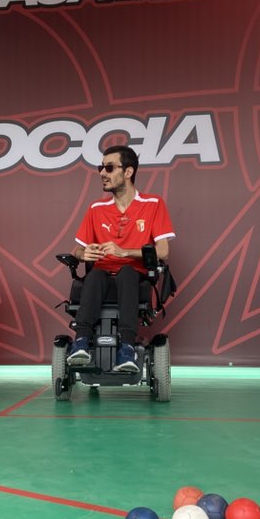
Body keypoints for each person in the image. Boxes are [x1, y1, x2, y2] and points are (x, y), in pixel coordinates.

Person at [65, 145, 176, 371]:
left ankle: (127, 348)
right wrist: (84, 254)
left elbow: (163, 251)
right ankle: (81, 342)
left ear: (128, 172)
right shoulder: (96, 208)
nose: (102, 173)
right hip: (102, 275)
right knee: (95, 274)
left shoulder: (153, 204)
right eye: (101, 168)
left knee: (127, 272)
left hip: (134, 275)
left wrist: (124, 252)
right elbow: (77, 251)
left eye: (109, 168)